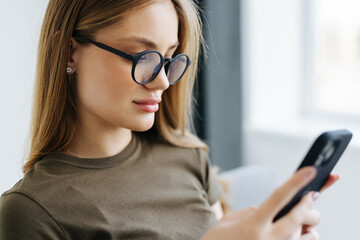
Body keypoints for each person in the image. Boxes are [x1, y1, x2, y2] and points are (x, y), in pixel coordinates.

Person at [0, 0, 338, 239]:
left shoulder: (187, 156)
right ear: (70, 50)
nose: (162, 80)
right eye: (141, 56)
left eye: (168, 58)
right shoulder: (31, 212)